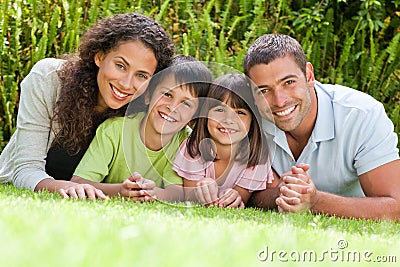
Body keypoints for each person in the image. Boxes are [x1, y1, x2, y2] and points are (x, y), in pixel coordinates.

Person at [0, 13, 175, 199]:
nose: (126, 83)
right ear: (99, 57)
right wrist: (67, 187)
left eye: (142, 75)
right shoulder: (48, 78)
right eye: (121, 66)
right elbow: (25, 169)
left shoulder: (144, 110)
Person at [243, 33, 400, 220]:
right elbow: (245, 190)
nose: (279, 101)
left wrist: (316, 201)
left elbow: (395, 206)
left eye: (289, 82)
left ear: (309, 75)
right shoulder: (245, 119)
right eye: (264, 90)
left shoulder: (361, 115)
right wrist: (284, 193)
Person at [71, 55, 212, 202]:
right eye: (167, 94)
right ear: (148, 96)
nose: (172, 107)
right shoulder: (114, 130)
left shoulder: (185, 142)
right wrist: (120, 190)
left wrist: (151, 192)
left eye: (186, 104)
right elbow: (79, 182)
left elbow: (177, 192)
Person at [173, 74, 277, 208]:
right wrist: (200, 190)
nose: (228, 119)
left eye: (240, 112)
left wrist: (234, 196)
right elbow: (190, 197)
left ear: (253, 121)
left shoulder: (257, 157)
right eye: (220, 109)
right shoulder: (193, 148)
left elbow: (240, 198)